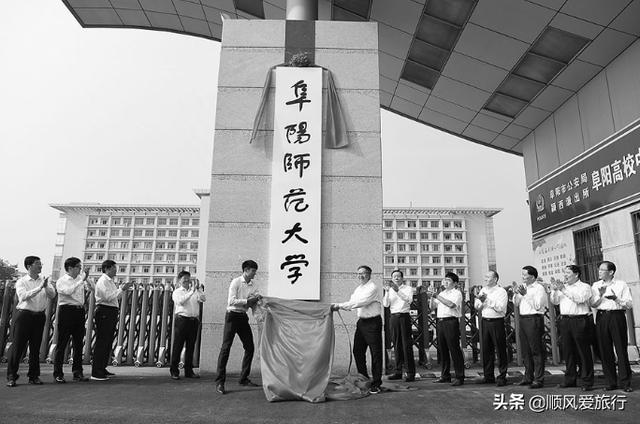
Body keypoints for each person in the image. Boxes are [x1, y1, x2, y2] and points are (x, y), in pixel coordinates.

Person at [332, 265, 383, 394]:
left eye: (363, 273)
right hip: (361, 322)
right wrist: (340, 306)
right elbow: (352, 302)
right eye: (358, 273)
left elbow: (360, 302)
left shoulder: (372, 288)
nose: (360, 276)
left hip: (373, 322)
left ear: (369, 274)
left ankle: (376, 383)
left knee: (375, 353)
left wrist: (339, 305)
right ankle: (364, 379)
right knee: (358, 351)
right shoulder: (358, 288)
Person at [6, 256, 56, 387]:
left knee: (35, 347)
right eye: (37, 264)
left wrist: (45, 286)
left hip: (39, 316)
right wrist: (39, 288)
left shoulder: (44, 281)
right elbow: (23, 296)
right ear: (29, 266)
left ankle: (33, 376)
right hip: (24, 315)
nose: (40, 266)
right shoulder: (22, 281)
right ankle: (11, 376)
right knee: (18, 347)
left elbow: (52, 295)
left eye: (41, 263)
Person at [215, 260, 262, 395]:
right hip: (232, 316)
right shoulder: (236, 282)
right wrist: (247, 301)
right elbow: (231, 301)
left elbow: (255, 299)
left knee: (250, 347)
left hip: (242, 317)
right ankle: (220, 382)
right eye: (253, 271)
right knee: (226, 348)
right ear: (246, 270)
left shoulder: (254, 284)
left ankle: (243, 378)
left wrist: (256, 300)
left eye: (255, 271)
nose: (254, 274)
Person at [549, 265, 594, 391]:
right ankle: (570, 379)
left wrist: (563, 289)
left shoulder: (584, 287)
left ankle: (587, 381)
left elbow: (580, 299)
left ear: (576, 274)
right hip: (565, 320)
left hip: (579, 320)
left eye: (568, 273)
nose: (565, 275)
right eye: (564, 273)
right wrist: (554, 290)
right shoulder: (564, 287)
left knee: (583, 351)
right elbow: (555, 302)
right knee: (568, 351)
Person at [591, 260, 633, 392]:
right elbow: (593, 304)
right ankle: (611, 382)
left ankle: (625, 382)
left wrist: (616, 298)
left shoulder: (621, 284)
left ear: (611, 272)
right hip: (602, 317)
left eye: (602, 270)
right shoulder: (596, 285)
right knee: (605, 350)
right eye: (599, 270)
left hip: (617, 316)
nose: (599, 272)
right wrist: (601, 295)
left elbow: (629, 304)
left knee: (621, 349)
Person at [91, 260, 132, 381]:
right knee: (102, 341)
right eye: (114, 268)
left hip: (110, 311)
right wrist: (121, 289)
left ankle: (102, 368)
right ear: (107, 269)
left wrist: (121, 290)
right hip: (104, 310)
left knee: (107, 341)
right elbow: (108, 297)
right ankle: (96, 372)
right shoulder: (103, 281)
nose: (116, 270)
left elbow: (115, 297)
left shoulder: (110, 281)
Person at [53, 257, 92, 383]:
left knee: (78, 343)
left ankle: (77, 372)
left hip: (79, 311)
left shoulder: (81, 279)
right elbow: (68, 291)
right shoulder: (62, 281)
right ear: (70, 268)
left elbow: (92, 289)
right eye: (78, 267)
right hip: (66, 311)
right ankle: (58, 373)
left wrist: (87, 280)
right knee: (62, 343)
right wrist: (81, 280)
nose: (80, 269)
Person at [512, 265, 547, 389]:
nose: (523, 277)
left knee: (536, 350)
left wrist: (526, 294)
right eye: (522, 275)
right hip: (523, 319)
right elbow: (516, 303)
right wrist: (516, 293)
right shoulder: (523, 287)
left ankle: (539, 379)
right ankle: (528, 377)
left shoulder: (539, 288)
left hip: (534, 319)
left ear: (532, 277)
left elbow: (538, 305)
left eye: (525, 275)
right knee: (526, 351)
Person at [429, 272, 465, 386]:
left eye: (448, 280)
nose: (445, 282)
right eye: (445, 280)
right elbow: (432, 307)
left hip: (451, 322)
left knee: (454, 349)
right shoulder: (442, 293)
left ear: (455, 283)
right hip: (440, 322)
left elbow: (451, 305)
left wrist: (437, 296)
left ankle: (459, 376)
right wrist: (432, 297)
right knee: (442, 350)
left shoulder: (457, 293)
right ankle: (445, 376)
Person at [473, 270, 508, 387]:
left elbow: (500, 307)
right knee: (486, 350)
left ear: (495, 279)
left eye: (488, 277)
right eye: (485, 277)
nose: (485, 279)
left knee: (500, 349)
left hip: (497, 322)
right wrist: (481, 302)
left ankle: (502, 376)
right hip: (485, 321)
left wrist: (487, 300)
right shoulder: (483, 290)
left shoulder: (501, 291)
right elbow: (477, 306)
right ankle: (488, 376)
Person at [170, 270, 206, 380]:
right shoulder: (177, 292)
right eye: (184, 279)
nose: (187, 281)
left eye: (188, 278)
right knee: (178, 345)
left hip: (193, 321)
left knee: (191, 347)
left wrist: (198, 290)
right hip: (182, 320)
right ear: (179, 280)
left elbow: (203, 299)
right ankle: (174, 371)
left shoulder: (194, 291)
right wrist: (191, 292)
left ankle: (189, 371)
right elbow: (180, 302)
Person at [382, 269, 416, 382]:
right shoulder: (390, 290)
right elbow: (386, 304)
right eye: (394, 277)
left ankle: (410, 373)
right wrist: (387, 291)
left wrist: (397, 291)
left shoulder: (408, 288)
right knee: (396, 344)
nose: (396, 278)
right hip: (394, 317)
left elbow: (409, 300)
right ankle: (398, 371)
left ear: (402, 278)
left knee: (406, 345)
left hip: (404, 317)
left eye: (398, 276)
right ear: (392, 279)